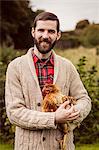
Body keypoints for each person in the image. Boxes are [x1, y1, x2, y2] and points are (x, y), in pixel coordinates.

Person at [5, 12, 91, 150]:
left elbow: (84, 100)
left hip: (62, 146)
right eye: (41, 30)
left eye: (51, 31)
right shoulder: (15, 67)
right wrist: (54, 118)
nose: (45, 36)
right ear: (33, 32)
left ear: (58, 35)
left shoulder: (67, 67)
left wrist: (73, 112)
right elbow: (14, 112)